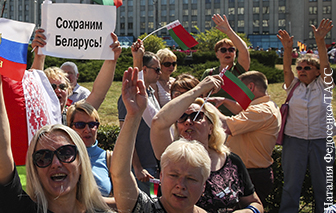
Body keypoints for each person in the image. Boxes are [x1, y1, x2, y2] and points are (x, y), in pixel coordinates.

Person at [0, 27, 113, 213]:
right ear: (33, 172)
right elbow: (1, 160)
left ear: (82, 163)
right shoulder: (21, 209)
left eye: (66, 153)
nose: (56, 163)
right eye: (43, 157)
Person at [150, 75, 263, 212]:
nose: (188, 121)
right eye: (182, 117)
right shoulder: (170, 154)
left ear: (211, 127)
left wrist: (248, 211)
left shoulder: (232, 161)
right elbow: (158, 122)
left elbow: (255, 203)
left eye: (196, 116)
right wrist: (198, 89)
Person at [112, 68, 210, 212]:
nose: (181, 185)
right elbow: (120, 173)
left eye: (191, 178)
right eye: (173, 175)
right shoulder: (144, 209)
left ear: (204, 186)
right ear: (161, 176)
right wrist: (133, 115)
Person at [276, 19, 335, 212]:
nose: (301, 71)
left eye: (307, 68)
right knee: (291, 185)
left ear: (317, 72)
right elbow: (286, 69)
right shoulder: (294, 87)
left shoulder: (324, 85)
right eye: (299, 68)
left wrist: (320, 41)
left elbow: (325, 65)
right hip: (295, 141)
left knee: (324, 187)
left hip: (322, 141)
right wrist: (287, 49)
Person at [210, 71, 280, 206]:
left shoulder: (261, 110)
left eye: (239, 90)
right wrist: (224, 101)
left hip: (252, 174)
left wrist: (208, 108)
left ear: (251, 87)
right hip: (253, 171)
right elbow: (242, 109)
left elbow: (227, 126)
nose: (236, 95)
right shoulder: (265, 105)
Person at [31, 28, 122, 111]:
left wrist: (111, 60)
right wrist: (39, 55)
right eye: (52, 87)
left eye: (63, 87)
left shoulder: (73, 116)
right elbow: (33, 87)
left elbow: (98, 95)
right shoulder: (37, 113)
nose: (58, 90)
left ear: (69, 91)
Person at [117, 40, 162, 192]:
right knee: (146, 204)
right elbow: (126, 134)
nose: (160, 73)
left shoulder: (150, 93)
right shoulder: (129, 99)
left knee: (155, 203)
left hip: (155, 165)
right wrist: (137, 167)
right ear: (144, 69)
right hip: (143, 170)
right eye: (156, 69)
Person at [67, 101, 115, 209]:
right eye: (80, 125)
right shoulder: (62, 158)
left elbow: (123, 201)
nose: (87, 130)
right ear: (70, 127)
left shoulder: (109, 158)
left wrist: (92, 201)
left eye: (92, 125)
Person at [201, 14, 251, 114]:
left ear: (235, 53)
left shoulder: (239, 70)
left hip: (237, 119)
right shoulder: (209, 73)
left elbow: (244, 50)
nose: (227, 52)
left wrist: (229, 31)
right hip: (214, 118)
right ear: (217, 54)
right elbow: (201, 95)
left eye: (231, 50)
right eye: (223, 50)